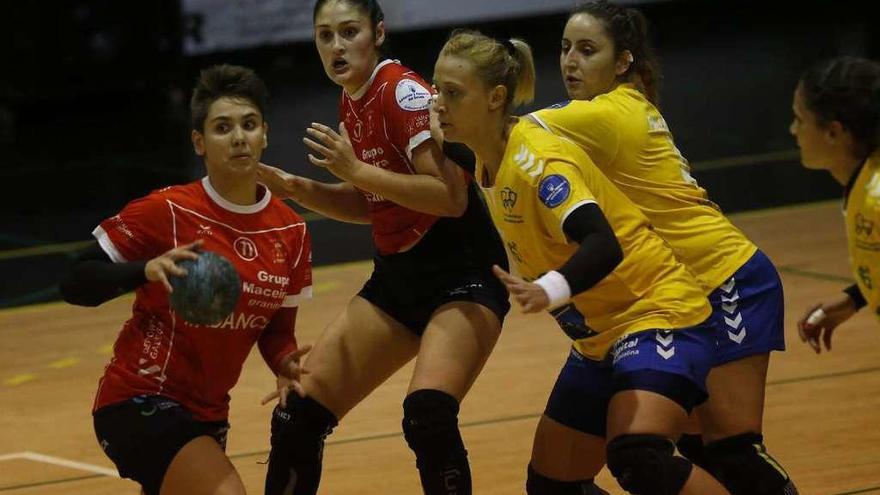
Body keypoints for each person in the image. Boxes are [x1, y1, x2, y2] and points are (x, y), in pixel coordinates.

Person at [433, 29, 732, 495]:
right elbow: (431, 137)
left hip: (657, 315)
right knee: (553, 486)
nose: (439, 103)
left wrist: (548, 288)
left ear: (494, 98)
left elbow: (602, 244)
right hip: (598, 342)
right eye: (436, 89)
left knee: (639, 456)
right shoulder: (483, 152)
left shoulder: (538, 161)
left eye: (452, 93)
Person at [523, 2, 796, 494]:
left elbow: (503, 135)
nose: (570, 61)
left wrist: (453, 99)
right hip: (655, 300)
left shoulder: (607, 113)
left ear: (623, 61)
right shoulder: (613, 111)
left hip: (724, 279)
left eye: (587, 50)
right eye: (565, 48)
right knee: (663, 458)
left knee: (724, 451)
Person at [255, 1, 510, 494]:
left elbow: (450, 198)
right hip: (399, 278)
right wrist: (296, 187)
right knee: (297, 413)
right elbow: (376, 200)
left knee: (427, 415)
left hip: (462, 273)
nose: (336, 46)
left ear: (378, 33)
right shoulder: (353, 98)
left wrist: (353, 170)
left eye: (349, 32)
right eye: (325, 35)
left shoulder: (402, 92)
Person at [58, 64, 313, 495]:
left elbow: (275, 330)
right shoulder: (168, 211)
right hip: (138, 398)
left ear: (265, 134)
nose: (238, 137)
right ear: (199, 142)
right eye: (222, 127)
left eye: (249, 125)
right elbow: (74, 281)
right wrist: (145, 269)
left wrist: (284, 362)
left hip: (209, 413)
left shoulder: (290, 232)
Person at [791, 56, 880, 350]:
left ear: (833, 131)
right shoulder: (864, 183)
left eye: (799, 119)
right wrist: (856, 297)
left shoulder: (876, 197)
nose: (793, 130)